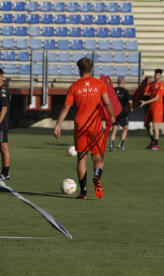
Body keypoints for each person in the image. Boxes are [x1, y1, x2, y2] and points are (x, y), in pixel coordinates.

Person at [54, 57, 115, 199]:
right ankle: (96, 177)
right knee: (98, 158)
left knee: (81, 158)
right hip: (95, 125)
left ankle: (84, 191)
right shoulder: (99, 84)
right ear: (92, 69)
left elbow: (66, 107)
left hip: (80, 125)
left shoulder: (74, 87)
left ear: (79, 70)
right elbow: (106, 102)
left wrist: (58, 125)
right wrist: (111, 116)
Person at [140, 69, 164, 150]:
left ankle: (156, 144)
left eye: (158, 75)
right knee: (146, 124)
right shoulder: (153, 84)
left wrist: (145, 102)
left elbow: (156, 98)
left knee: (155, 125)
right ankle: (153, 141)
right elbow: (144, 92)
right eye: (155, 74)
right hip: (151, 106)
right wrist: (146, 84)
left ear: (160, 75)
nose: (156, 76)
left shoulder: (161, 85)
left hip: (157, 107)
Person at [109, 76, 133, 151]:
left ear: (117, 82)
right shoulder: (126, 91)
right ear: (124, 82)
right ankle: (120, 145)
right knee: (125, 128)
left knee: (114, 129)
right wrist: (130, 108)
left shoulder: (112, 90)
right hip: (122, 112)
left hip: (114, 112)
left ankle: (111, 145)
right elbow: (130, 102)